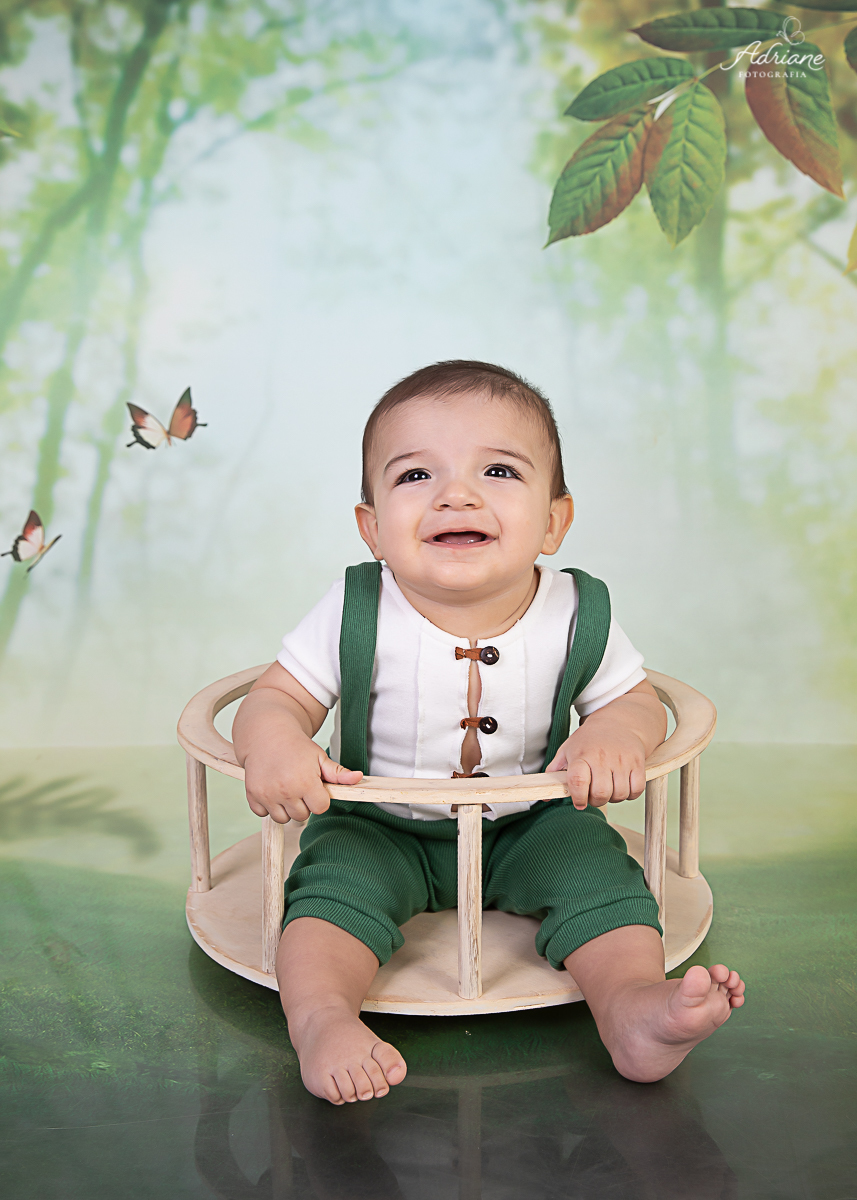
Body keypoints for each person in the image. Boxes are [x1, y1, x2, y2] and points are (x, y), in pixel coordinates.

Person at [232, 360, 745, 1106]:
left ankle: (632, 1007)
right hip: (380, 825)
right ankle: (321, 1019)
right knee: (327, 902)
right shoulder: (353, 607)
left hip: (531, 820)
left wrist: (616, 733)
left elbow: (633, 700)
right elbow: (275, 697)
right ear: (372, 527)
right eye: (415, 476)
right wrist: (276, 740)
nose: (456, 495)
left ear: (554, 521)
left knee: (600, 882)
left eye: (498, 471)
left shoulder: (576, 610)